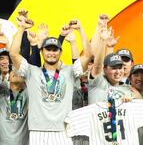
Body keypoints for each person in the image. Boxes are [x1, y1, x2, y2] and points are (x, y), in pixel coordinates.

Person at [9, 13, 92, 145]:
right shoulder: (31, 71)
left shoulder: (69, 71)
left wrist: (80, 29)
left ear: (60, 52)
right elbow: (13, 54)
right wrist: (21, 28)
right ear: (42, 52)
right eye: (48, 49)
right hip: (37, 132)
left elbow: (88, 55)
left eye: (55, 50)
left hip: (63, 132)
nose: (51, 53)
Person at [0, 47, 29, 145]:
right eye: (13, 69)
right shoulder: (2, 89)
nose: (15, 71)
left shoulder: (29, 93)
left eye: (18, 69)